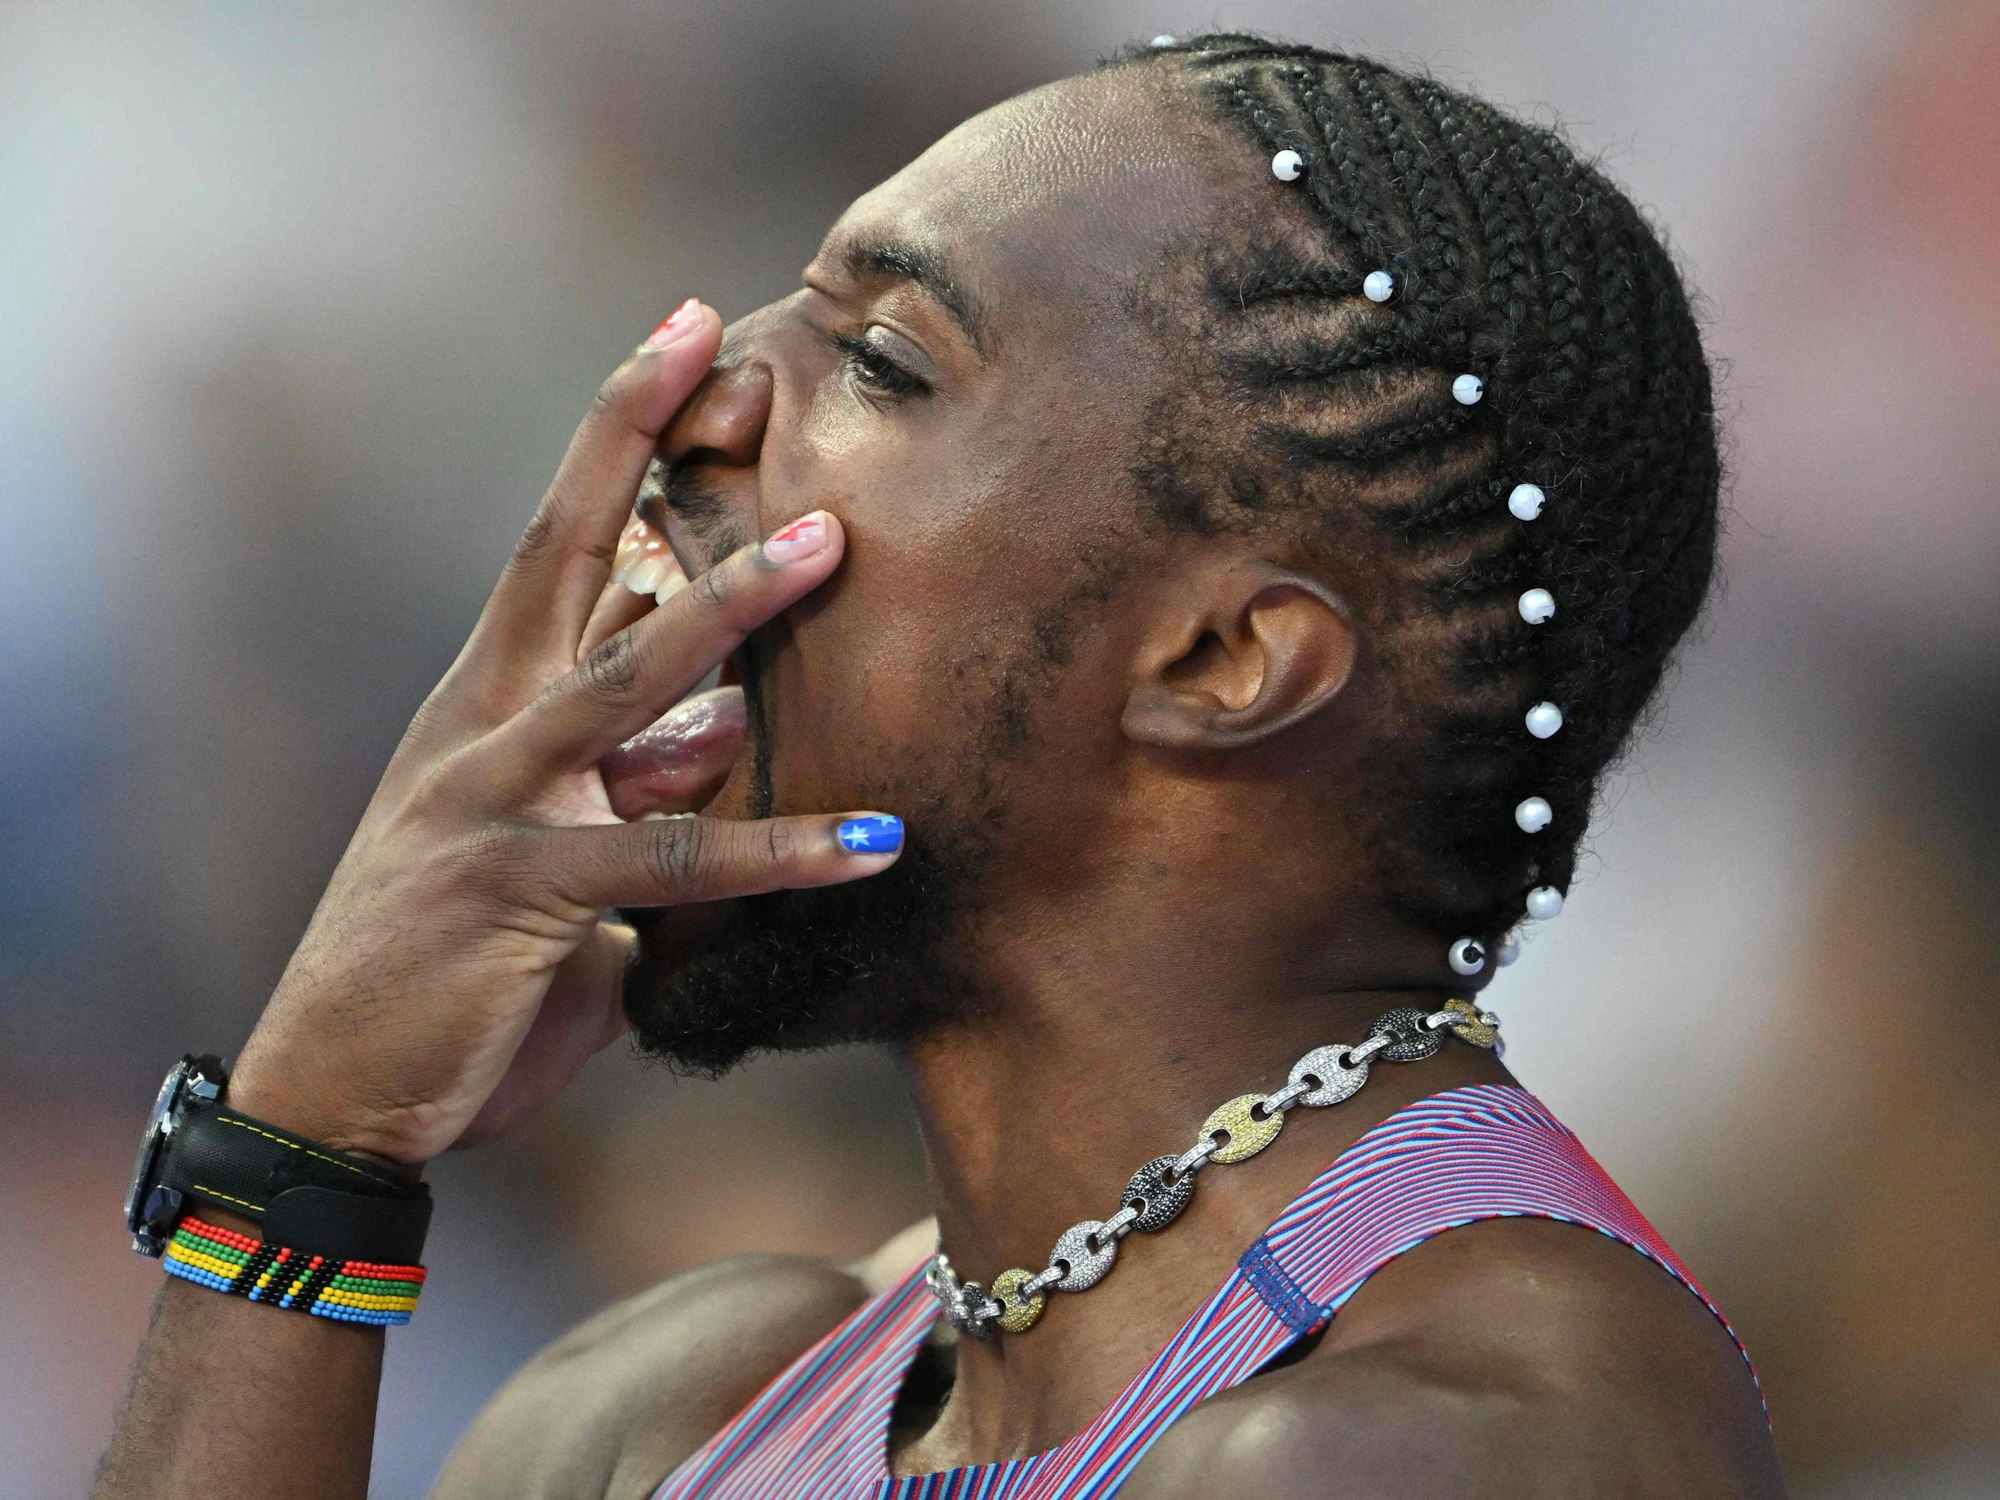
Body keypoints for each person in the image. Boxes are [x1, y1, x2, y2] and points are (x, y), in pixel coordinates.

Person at [94, 33, 1786, 1500]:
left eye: (884, 360)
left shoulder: (1441, 1447)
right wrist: (311, 1148)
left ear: (1222, 660)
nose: (700, 398)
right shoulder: (680, 1401)